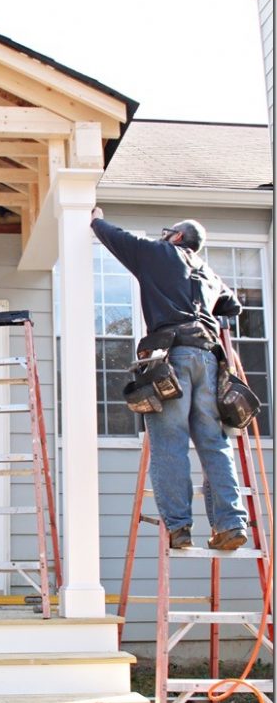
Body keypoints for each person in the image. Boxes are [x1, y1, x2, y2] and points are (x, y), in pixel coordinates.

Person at [90, 208, 248, 551]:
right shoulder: (207, 271)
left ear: (177, 237)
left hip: (171, 357)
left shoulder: (158, 253)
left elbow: (117, 239)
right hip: (209, 360)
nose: (163, 236)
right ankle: (231, 524)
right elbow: (232, 306)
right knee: (215, 444)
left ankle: (179, 528)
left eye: (167, 232)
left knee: (170, 443)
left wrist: (96, 219)